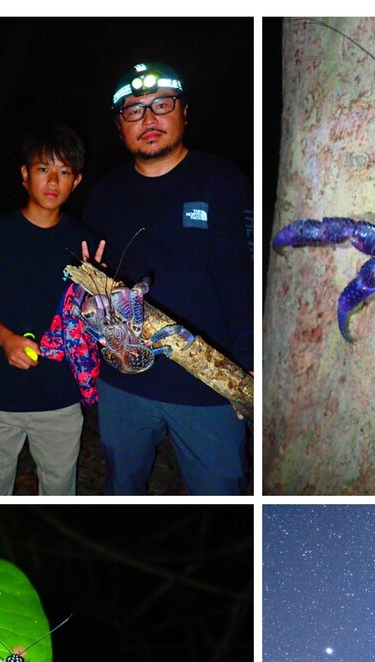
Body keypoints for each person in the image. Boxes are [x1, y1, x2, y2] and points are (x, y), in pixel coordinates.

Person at [82, 62, 253, 496]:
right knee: (123, 486)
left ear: (184, 111)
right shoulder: (104, 195)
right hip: (123, 382)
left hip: (208, 382)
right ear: (120, 126)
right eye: (135, 111)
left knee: (222, 491)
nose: (150, 119)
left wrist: (252, 365)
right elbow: (92, 280)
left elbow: (244, 278)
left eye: (162, 105)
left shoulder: (223, 181)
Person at [0, 124, 98, 495]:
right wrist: (4, 337)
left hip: (60, 396)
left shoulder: (84, 240)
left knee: (59, 491)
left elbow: (97, 319)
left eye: (64, 172)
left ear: (76, 181)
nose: (53, 180)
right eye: (43, 169)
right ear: (25, 175)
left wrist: (103, 295)